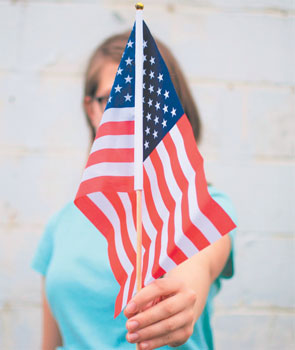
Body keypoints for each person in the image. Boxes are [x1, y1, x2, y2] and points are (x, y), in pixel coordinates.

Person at [31, 30, 237, 350]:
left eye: (145, 101)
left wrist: (180, 304)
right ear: (92, 110)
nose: (131, 116)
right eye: (114, 100)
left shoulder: (203, 207)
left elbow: (193, 273)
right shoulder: (61, 224)